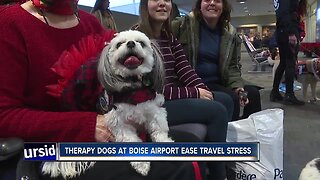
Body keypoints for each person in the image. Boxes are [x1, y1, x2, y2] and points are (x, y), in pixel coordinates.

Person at [0, 1, 201, 179]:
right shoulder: (10, 23)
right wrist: (90, 125)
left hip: (112, 126)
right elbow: (4, 116)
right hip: (50, 148)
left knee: (192, 147)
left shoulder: (89, 23)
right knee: (174, 168)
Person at [133, 0, 234, 179]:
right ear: (144, 5)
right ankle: (220, 175)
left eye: (167, 0)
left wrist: (203, 91)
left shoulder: (168, 36)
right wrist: (194, 93)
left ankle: (214, 162)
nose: (162, 4)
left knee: (225, 100)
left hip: (170, 98)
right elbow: (149, 90)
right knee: (217, 111)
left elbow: (185, 69)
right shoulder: (137, 39)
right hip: (150, 106)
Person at [171, 0, 262, 121]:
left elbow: (233, 66)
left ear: (223, 7)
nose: (212, 3)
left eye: (218, 1)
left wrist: (237, 87)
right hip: (192, 82)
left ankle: (247, 133)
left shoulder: (230, 33)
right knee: (231, 98)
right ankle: (228, 134)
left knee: (253, 94)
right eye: (207, 0)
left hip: (220, 80)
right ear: (200, 6)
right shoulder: (182, 26)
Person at [270, 0, 307, 105]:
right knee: (290, 63)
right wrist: (291, 33)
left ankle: (275, 92)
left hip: (282, 30)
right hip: (288, 30)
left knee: (283, 63)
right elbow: (286, 13)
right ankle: (289, 94)